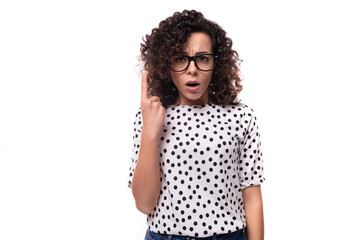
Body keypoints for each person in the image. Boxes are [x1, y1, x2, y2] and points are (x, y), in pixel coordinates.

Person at [127, 10, 265, 240]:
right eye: (180, 58)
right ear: (166, 64)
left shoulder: (241, 117)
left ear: (215, 63)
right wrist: (150, 134)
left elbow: (252, 199)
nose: (192, 69)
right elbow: (144, 204)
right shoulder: (149, 117)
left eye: (202, 58)